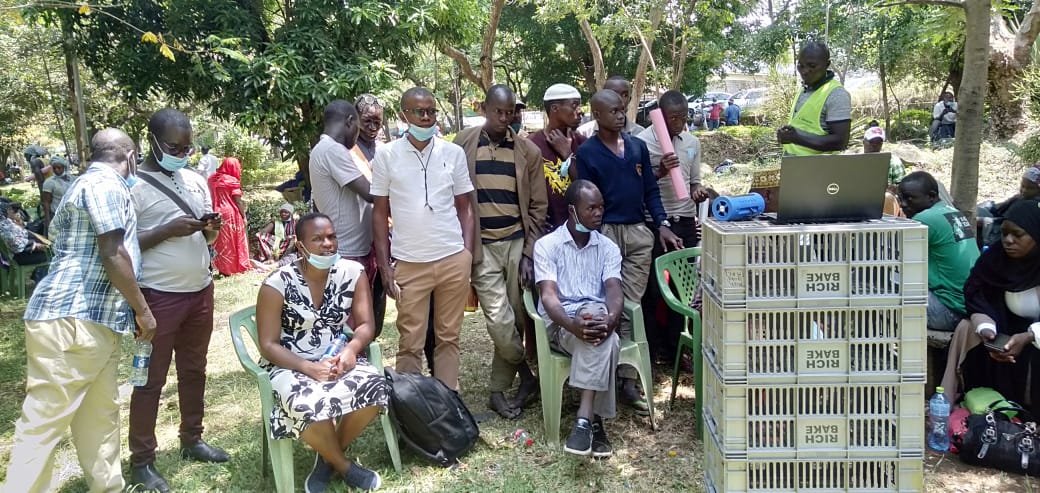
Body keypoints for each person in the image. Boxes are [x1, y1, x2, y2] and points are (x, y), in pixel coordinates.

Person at [1, 129, 157, 493]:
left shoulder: (78, 185)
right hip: (73, 317)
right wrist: (143, 310)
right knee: (43, 422)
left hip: (93, 319)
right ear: (131, 156)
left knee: (100, 415)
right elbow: (112, 251)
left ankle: (108, 487)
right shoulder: (106, 186)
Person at [129, 109, 227, 492]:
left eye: (188, 147)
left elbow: (207, 241)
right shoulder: (132, 185)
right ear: (151, 139)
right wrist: (165, 230)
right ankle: (142, 460)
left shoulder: (193, 178)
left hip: (199, 292)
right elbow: (119, 246)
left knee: (194, 370)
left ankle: (193, 438)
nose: (182, 153)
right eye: (174, 146)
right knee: (149, 380)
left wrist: (210, 231)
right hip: (156, 297)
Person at [255, 213, 389, 492]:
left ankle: (327, 459)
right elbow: (268, 344)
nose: (327, 244)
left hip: (339, 356)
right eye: (317, 239)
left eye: (331, 237)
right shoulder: (276, 284)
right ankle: (344, 466)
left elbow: (366, 324)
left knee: (376, 387)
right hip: (289, 362)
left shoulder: (353, 272)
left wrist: (352, 349)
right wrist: (307, 367)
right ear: (300, 245)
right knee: (305, 401)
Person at [575, 89, 683, 414]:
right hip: (604, 232)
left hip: (638, 233)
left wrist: (661, 223)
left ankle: (626, 378)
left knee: (630, 305)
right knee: (606, 301)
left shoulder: (636, 147)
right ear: (597, 114)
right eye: (613, 111)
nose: (621, 115)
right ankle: (607, 376)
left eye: (623, 110)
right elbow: (586, 200)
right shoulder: (588, 153)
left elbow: (650, 190)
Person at [371, 87, 475, 391]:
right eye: (420, 111)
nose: (427, 117)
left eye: (431, 110)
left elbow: (465, 207)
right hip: (410, 263)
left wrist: (466, 254)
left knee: (448, 337)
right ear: (405, 115)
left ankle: (447, 404)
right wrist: (386, 267)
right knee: (410, 341)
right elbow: (379, 214)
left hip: (452, 260)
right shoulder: (387, 155)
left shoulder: (452, 152)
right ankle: (413, 411)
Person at [453, 84, 545, 418]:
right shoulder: (462, 144)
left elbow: (538, 207)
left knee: (517, 317)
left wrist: (529, 253)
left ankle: (497, 391)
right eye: (499, 112)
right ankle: (526, 374)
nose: (505, 118)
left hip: (517, 244)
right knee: (499, 320)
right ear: (484, 109)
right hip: (482, 246)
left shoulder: (527, 152)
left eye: (511, 113)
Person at [534, 179, 623, 457]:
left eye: (601, 207)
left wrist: (610, 319)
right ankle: (595, 422)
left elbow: (614, 291)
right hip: (563, 325)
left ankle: (585, 421)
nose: (598, 213)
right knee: (606, 338)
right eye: (591, 208)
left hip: (595, 322)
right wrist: (573, 324)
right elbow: (548, 297)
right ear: (572, 211)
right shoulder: (547, 245)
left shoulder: (607, 247)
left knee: (602, 330)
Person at [940, 199, 1040, 410]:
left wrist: (1030, 337)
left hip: (1034, 338)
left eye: (1018, 234)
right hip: (1007, 332)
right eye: (1004, 233)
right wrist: (986, 326)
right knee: (967, 327)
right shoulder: (996, 258)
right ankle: (974, 401)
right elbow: (975, 291)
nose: (1009, 240)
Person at [636, 90, 710, 364]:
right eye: (672, 118)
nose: (678, 122)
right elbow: (638, 186)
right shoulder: (641, 142)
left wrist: (699, 191)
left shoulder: (691, 142)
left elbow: (694, 182)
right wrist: (660, 171)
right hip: (655, 223)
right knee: (655, 290)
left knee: (685, 289)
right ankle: (654, 349)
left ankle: (679, 346)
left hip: (685, 222)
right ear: (659, 117)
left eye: (683, 117)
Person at [897, 171, 980, 332]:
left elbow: (892, 256)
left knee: (869, 281)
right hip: (971, 307)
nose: (903, 204)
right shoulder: (951, 212)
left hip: (949, 311)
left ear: (932, 196)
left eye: (909, 198)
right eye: (901, 198)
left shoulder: (925, 219)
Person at [776, 42, 852, 155]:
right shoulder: (805, 87)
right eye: (801, 65)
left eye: (812, 66)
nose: (805, 71)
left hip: (817, 169)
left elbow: (840, 141)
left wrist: (796, 138)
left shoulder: (836, 94)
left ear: (827, 64)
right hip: (795, 165)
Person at [530, 83, 587, 231]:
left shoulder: (583, 143)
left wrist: (567, 154)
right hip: (545, 233)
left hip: (578, 231)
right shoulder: (530, 144)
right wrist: (535, 218)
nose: (580, 112)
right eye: (574, 106)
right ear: (555, 108)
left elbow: (586, 187)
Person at [976, 166, 1040, 248]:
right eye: (1022, 186)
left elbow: (1012, 227)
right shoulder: (1019, 198)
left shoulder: (1033, 207)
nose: (1024, 190)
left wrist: (984, 221)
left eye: (1030, 188)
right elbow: (997, 209)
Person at [208, 157, 251, 276]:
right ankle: (234, 267)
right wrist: (244, 217)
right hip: (230, 213)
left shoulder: (212, 179)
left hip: (216, 211)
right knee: (233, 241)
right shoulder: (232, 181)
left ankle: (222, 268)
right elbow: (238, 201)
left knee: (222, 242)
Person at [575, 76, 646, 138]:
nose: (619, 99)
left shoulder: (640, 133)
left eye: (624, 95)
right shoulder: (584, 133)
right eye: (613, 93)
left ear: (629, 100)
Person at [862, 122, 907, 216]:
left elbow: (904, 189)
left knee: (887, 198)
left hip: (885, 203)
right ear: (864, 142)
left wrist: (894, 190)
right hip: (861, 201)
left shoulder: (893, 161)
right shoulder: (856, 161)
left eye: (879, 143)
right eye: (871, 142)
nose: (875, 146)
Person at [0, 201, 49, 283]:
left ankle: (36, 278)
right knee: (48, 256)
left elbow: (21, 233)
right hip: (19, 256)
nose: (16, 212)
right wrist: (34, 245)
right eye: (14, 210)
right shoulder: (4, 226)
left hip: (16, 253)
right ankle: (41, 282)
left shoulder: (6, 222)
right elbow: (15, 244)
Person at [41, 156, 73, 229]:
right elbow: (46, 202)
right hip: (58, 214)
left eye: (59, 168)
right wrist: (48, 220)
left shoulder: (72, 179)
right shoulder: (49, 182)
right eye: (54, 168)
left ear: (64, 167)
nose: (56, 170)